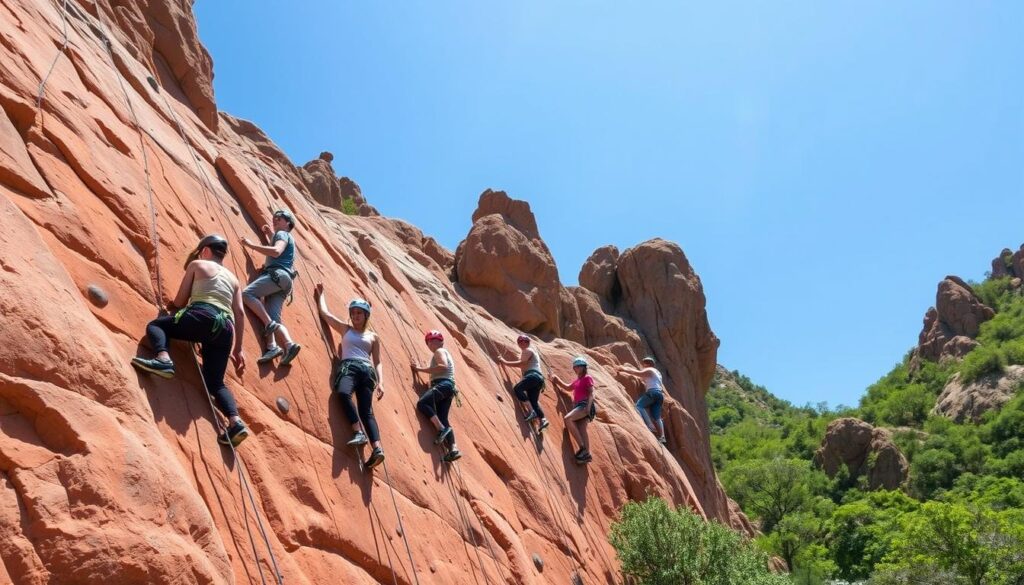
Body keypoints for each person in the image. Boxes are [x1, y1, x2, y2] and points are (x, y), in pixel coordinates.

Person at [131, 234, 250, 446]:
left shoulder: (198, 264)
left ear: (205, 250)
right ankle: (235, 422)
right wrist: (238, 348)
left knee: (157, 326)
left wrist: (173, 307)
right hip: (226, 330)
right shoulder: (233, 280)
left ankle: (163, 359)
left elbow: (180, 300)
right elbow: (239, 313)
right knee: (215, 382)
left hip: (203, 316)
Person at [315, 284, 386, 469]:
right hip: (350, 366)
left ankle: (377, 449)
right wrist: (321, 295)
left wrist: (381, 382)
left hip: (367, 372)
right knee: (342, 393)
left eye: (359, 313)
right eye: (353, 313)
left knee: (366, 411)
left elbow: (378, 361)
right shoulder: (345, 329)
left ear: (366, 316)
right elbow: (325, 314)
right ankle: (358, 431)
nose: (355, 316)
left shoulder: (373, 337)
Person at [240, 209, 300, 367]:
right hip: (284, 282)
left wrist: (252, 245)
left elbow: (276, 251)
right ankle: (285, 345)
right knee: (275, 319)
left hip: (277, 275)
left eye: (279, 219)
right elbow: (278, 247)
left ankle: (267, 324)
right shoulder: (283, 237)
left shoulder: (283, 234)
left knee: (247, 294)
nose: (275, 221)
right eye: (274, 219)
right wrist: (269, 235)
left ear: (288, 223)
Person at [412, 330, 462, 463]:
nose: (431, 343)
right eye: (429, 341)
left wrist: (419, 369)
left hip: (444, 384)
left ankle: (441, 429)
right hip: (448, 387)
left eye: (433, 340)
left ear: (440, 342)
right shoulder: (443, 352)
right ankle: (453, 448)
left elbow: (443, 366)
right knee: (442, 417)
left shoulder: (439, 352)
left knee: (422, 404)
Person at [493, 335, 550, 433]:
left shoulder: (527, 351)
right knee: (533, 401)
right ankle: (543, 420)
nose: (521, 343)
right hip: (537, 379)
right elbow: (524, 367)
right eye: (519, 341)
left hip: (533, 376)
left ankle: (532, 412)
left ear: (528, 342)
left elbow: (521, 364)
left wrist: (504, 362)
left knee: (517, 389)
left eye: (524, 341)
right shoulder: (530, 353)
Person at [550, 356, 596, 463]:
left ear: (584, 367)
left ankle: (582, 448)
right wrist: (556, 379)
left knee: (568, 419)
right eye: (575, 367)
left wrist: (588, 407)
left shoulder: (587, 378)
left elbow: (591, 393)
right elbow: (567, 387)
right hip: (578, 406)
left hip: (584, 405)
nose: (576, 368)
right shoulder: (577, 381)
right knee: (582, 429)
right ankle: (587, 454)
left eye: (578, 366)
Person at [619, 356, 667, 444]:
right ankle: (662, 436)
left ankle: (650, 426)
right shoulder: (657, 373)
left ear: (648, 364)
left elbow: (636, 373)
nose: (643, 367)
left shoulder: (649, 370)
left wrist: (623, 368)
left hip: (652, 392)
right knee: (657, 417)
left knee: (639, 406)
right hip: (659, 395)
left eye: (644, 365)